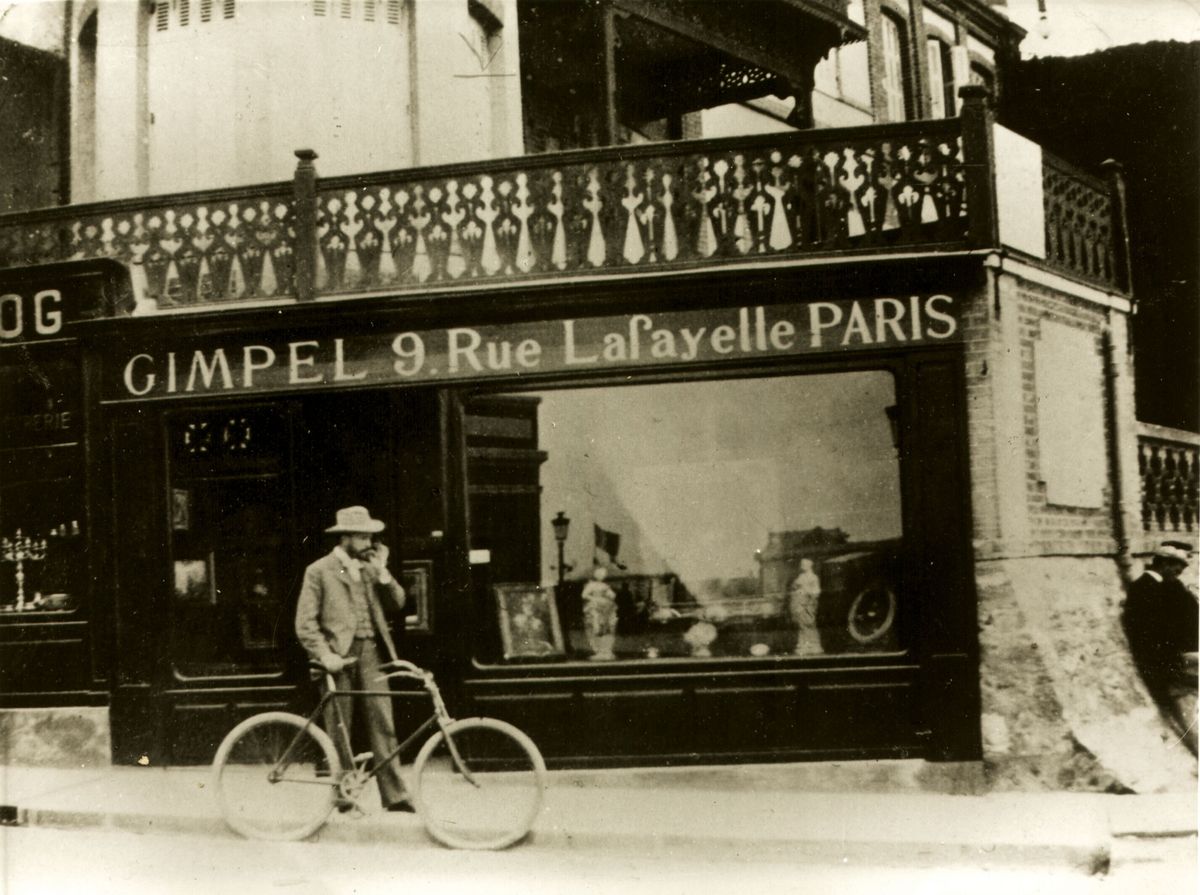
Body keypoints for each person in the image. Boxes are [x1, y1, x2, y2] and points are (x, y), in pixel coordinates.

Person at [294, 505, 413, 811]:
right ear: (344, 538)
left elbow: (398, 603)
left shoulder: (371, 567)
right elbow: (305, 623)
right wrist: (325, 654)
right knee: (340, 727)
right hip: (338, 656)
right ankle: (343, 796)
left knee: (383, 723)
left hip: (371, 652)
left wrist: (383, 573)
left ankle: (396, 795)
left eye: (370, 537)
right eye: (361, 537)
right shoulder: (319, 570)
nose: (368, 543)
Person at [1122, 541, 1198, 756]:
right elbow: (1149, 634)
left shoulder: (1167, 585)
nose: (1180, 571)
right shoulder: (1144, 588)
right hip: (1164, 663)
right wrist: (1180, 656)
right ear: (1163, 563)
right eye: (1177, 566)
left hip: (1176, 658)